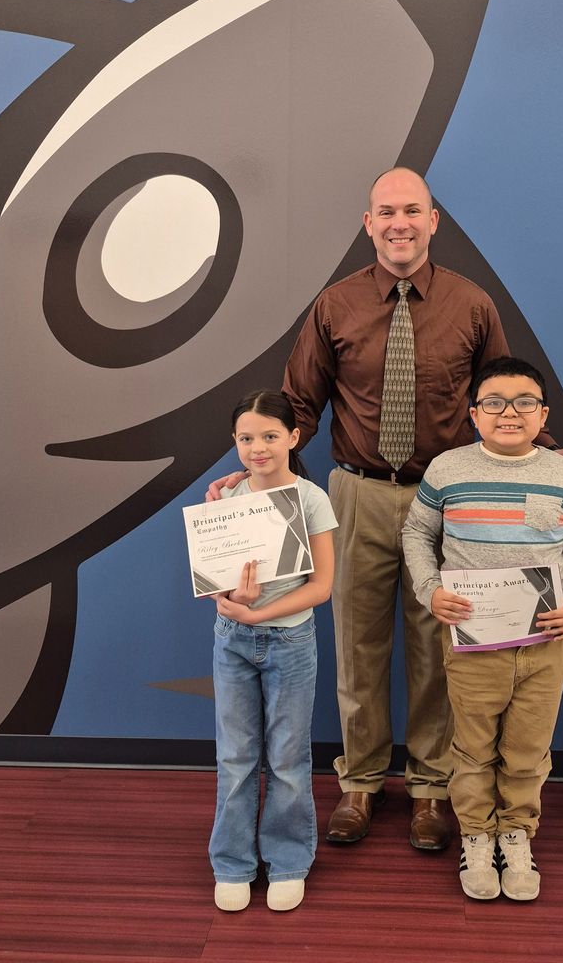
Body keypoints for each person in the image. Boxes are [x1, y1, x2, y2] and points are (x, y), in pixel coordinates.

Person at [209, 168, 563, 851]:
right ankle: (359, 782)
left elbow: (506, 398)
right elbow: (295, 407)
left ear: (432, 220)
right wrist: (251, 479)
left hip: (446, 499)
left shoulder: (472, 304)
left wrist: (558, 452)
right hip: (353, 493)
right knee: (357, 644)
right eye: (386, 212)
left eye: (412, 211)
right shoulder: (334, 306)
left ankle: (428, 789)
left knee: (433, 645)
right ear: (368, 224)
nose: (399, 223)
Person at [401, 356, 563, 901]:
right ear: (474, 414)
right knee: (472, 749)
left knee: (527, 749)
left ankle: (516, 834)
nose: (508, 413)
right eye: (493, 402)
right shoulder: (448, 470)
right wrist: (431, 591)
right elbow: (416, 535)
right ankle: (476, 835)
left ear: (543, 413)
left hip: (546, 643)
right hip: (474, 645)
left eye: (523, 403)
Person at [207, 391, 337, 914]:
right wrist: (228, 599)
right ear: (234, 442)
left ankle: (287, 862)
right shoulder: (226, 498)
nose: (257, 448)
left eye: (268, 436)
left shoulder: (310, 499)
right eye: (245, 438)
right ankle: (233, 863)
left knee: (286, 757)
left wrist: (259, 613)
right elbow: (213, 577)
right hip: (231, 640)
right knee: (235, 758)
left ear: (292, 438)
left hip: (290, 640)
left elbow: (323, 586)